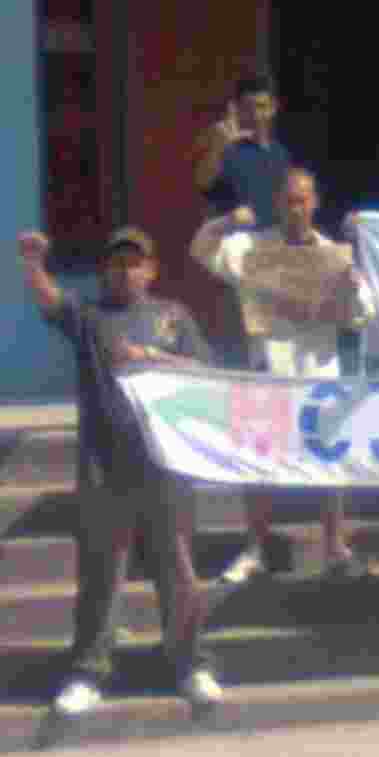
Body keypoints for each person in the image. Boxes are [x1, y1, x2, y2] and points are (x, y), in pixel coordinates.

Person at [17, 227, 223, 718]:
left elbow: (207, 372)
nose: (125, 270)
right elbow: (50, 301)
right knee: (101, 576)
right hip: (103, 469)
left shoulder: (175, 316)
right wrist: (32, 262)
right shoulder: (89, 317)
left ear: (151, 270)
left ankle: (190, 664)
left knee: (178, 572)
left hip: (167, 466)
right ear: (104, 271)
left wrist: (150, 357)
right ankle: (88, 672)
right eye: (116, 263)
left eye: (135, 262)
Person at [191, 167, 376, 585]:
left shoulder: (334, 255)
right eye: (289, 200)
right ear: (278, 203)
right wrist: (226, 221)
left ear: (315, 203)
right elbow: (200, 249)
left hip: (318, 372)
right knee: (256, 467)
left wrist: (350, 289)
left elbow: (366, 312)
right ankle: (255, 549)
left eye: (304, 200)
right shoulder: (250, 249)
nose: (296, 208)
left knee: (330, 467)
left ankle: (335, 548)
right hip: (268, 372)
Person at [194, 73, 291, 227]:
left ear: (273, 108)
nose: (256, 115)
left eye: (261, 106)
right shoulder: (226, 147)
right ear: (237, 109)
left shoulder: (280, 154)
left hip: (271, 240)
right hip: (232, 240)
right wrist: (219, 147)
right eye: (248, 107)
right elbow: (202, 182)